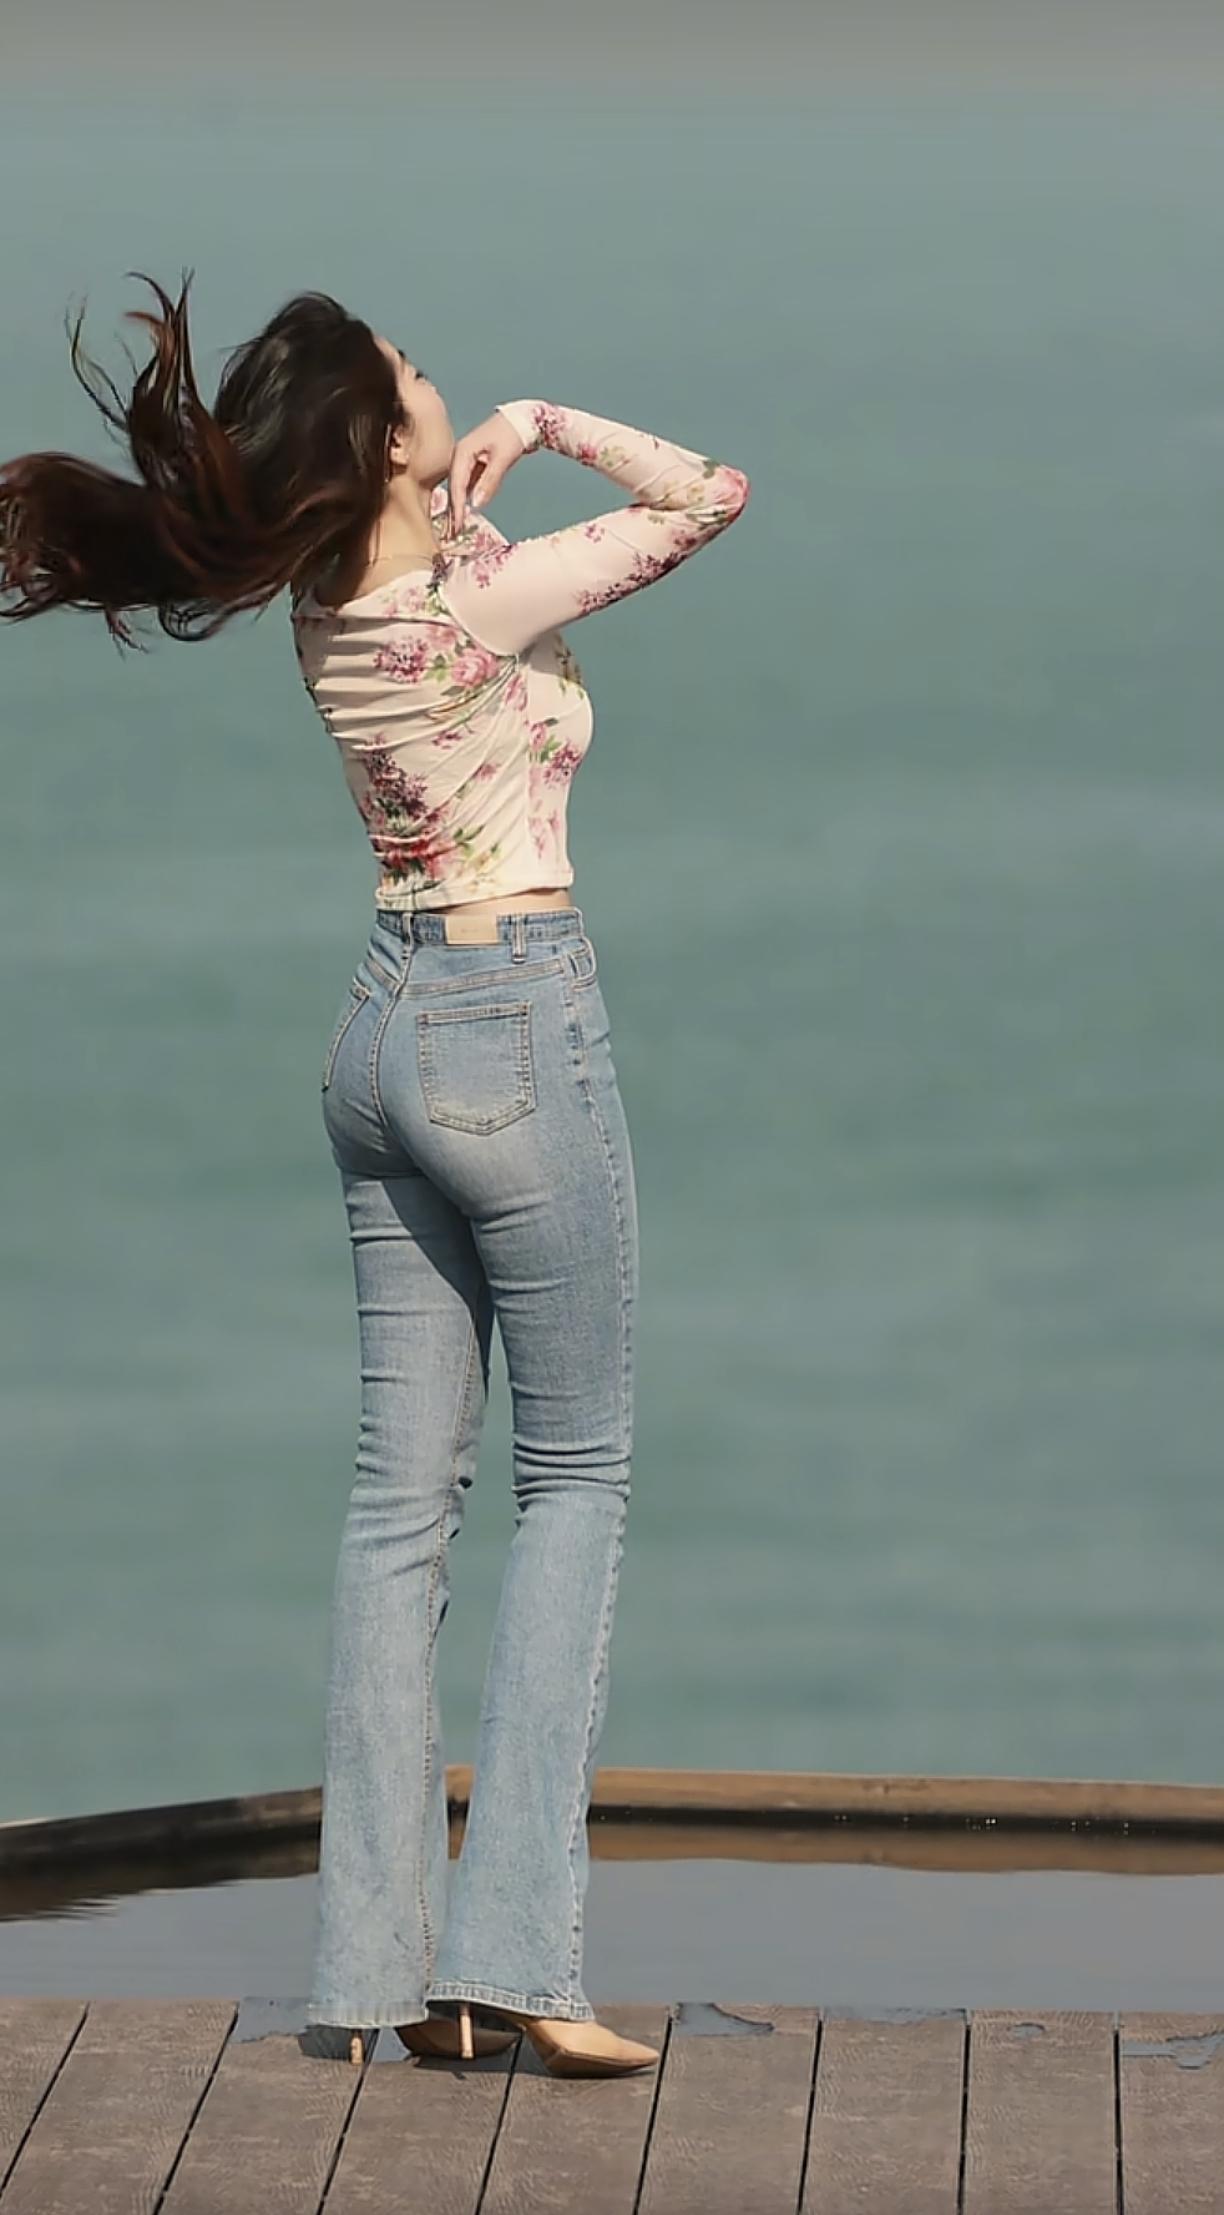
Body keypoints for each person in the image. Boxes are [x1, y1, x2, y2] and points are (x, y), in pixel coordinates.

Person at [0, 271, 751, 2079]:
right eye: (413, 373)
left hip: (381, 1033)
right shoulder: (476, 595)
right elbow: (709, 496)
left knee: (398, 1507)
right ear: (381, 440)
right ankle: (523, 1960)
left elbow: (434, 573)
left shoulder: (335, 612)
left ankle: (377, 1972)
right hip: (513, 1020)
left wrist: (455, 479)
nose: (437, 376)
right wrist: (546, 421)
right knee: (574, 1480)